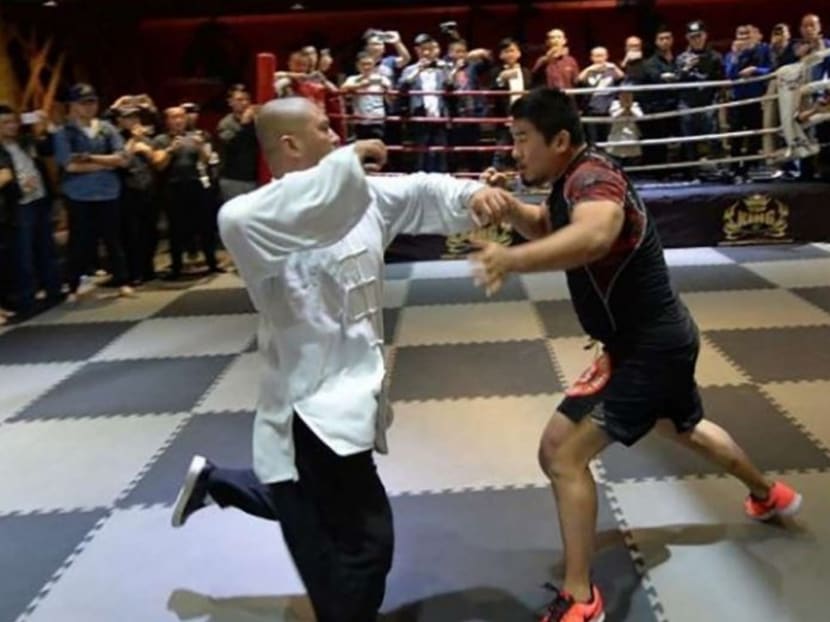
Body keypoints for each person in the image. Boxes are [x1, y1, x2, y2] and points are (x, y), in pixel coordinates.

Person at [170, 97, 512, 622]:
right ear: (290, 144)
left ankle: (217, 482)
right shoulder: (247, 219)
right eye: (324, 127)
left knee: (309, 500)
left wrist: (472, 195)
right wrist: (347, 159)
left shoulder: (361, 197)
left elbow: (420, 191)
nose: (335, 135)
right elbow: (314, 208)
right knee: (366, 541)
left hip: (355, 390)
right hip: (308, 405)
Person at [470, 88, 802, 622]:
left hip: (651, 351)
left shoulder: (594, 179)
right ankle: (769, 494)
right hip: (648, 344)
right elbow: (551, 227)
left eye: (523, 139)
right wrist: (509, 209)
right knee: (681, 427)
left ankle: (581, 599)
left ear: (560, 140)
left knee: (563, 456)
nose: (515, 151)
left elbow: (594, 236)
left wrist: (512, 260)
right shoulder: (570, 180)